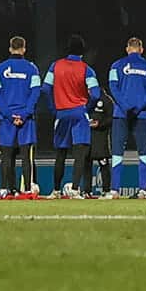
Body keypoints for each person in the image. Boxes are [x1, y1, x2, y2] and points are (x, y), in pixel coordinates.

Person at [43, 35, 102, 198]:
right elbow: (96, 94)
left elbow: (45, 88)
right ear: (82, 51)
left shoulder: (55, 66)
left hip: (61, 113)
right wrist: (87, 108)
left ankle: (55, 190)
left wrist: (53, 108)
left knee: (60, 153)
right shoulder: (86, 69)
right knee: (80, 153)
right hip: (79, 113)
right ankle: (75, 189)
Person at [0, 36, 43, 196]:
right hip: (26, 119)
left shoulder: (0, 69)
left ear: (10, 48)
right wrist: (25, 114)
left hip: (6, 119)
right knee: (26, 156)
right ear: (24, 49)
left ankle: (6, 189)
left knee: (6, 156)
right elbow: (35, 93)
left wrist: (8, 114)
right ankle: (27, 189)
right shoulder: (31, 69)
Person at [107, 38, 146, 197]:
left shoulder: (116, 65)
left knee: (117, 153)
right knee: (143, 153)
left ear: (127, 49)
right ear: (141, 49)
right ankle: (142, 189)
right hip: (141, 114)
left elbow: (112, 87)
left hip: (121, 114)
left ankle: (114, 190)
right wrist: (139, 106)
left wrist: (125, 106)